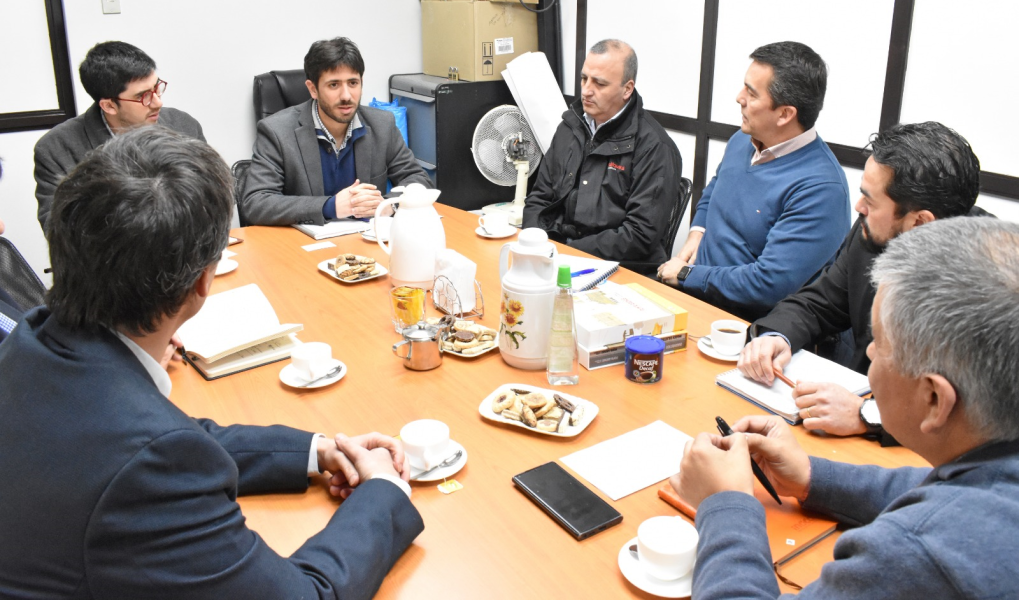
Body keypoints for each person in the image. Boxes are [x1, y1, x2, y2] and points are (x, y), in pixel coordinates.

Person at [0, 127, 423, 598]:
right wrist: (383, 492)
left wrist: (316, 451)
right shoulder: (151, 464)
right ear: (204, 280)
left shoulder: (32, 341)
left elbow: (171, 439)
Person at [673, 217, 1019, 599]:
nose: (868, 351)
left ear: (934, 399)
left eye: (880, 344)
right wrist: (811, 477)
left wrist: (725, 505)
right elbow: (940, 484)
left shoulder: (916, 553)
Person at [738, 122, 982, 438]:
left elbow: (970, 415)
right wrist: (776, 337)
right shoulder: (873, 231)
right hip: (842, 418)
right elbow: (820, 303)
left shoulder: (987, 283)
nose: (859, 207)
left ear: (919, 222)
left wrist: (866, 415)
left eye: (871, 200)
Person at [658, 41, 850, 321]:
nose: (739, 98)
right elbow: (716, 188)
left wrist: (688, 274)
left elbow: (768, 285)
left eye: (751, 93)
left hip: (746, 324)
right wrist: (697, 231)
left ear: (785, 114)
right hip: (695, 296)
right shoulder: (743, 140)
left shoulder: (821, 189)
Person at [522, 39, 683, 267]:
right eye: (584, 79)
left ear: (627, 89)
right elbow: (539, 198)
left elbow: (640, 235)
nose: (586, 91)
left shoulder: (655, 147)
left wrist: (567, 253)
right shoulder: (570, 127)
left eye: (599, 83)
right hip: (556, 253)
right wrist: (535, 244)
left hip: (620, 267)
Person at [240, 37, 431, 227]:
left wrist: (389, 205)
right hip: (305, 242)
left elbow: (419, 180)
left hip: (366, 239)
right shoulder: (276, 131)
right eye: (334, 85)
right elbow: (256, 202)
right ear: (313, 89)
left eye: (353, 83)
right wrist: (329, 207)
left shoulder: (382, 125)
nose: (346, 96)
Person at [34, 41, 204, 235]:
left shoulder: (183, 125)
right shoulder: (56, 148)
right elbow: (58, 231)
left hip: (186, 247)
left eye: (157, 88)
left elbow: (213, 197)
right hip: (110, 252)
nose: (158, 102)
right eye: (143, 96)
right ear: (109, 106)